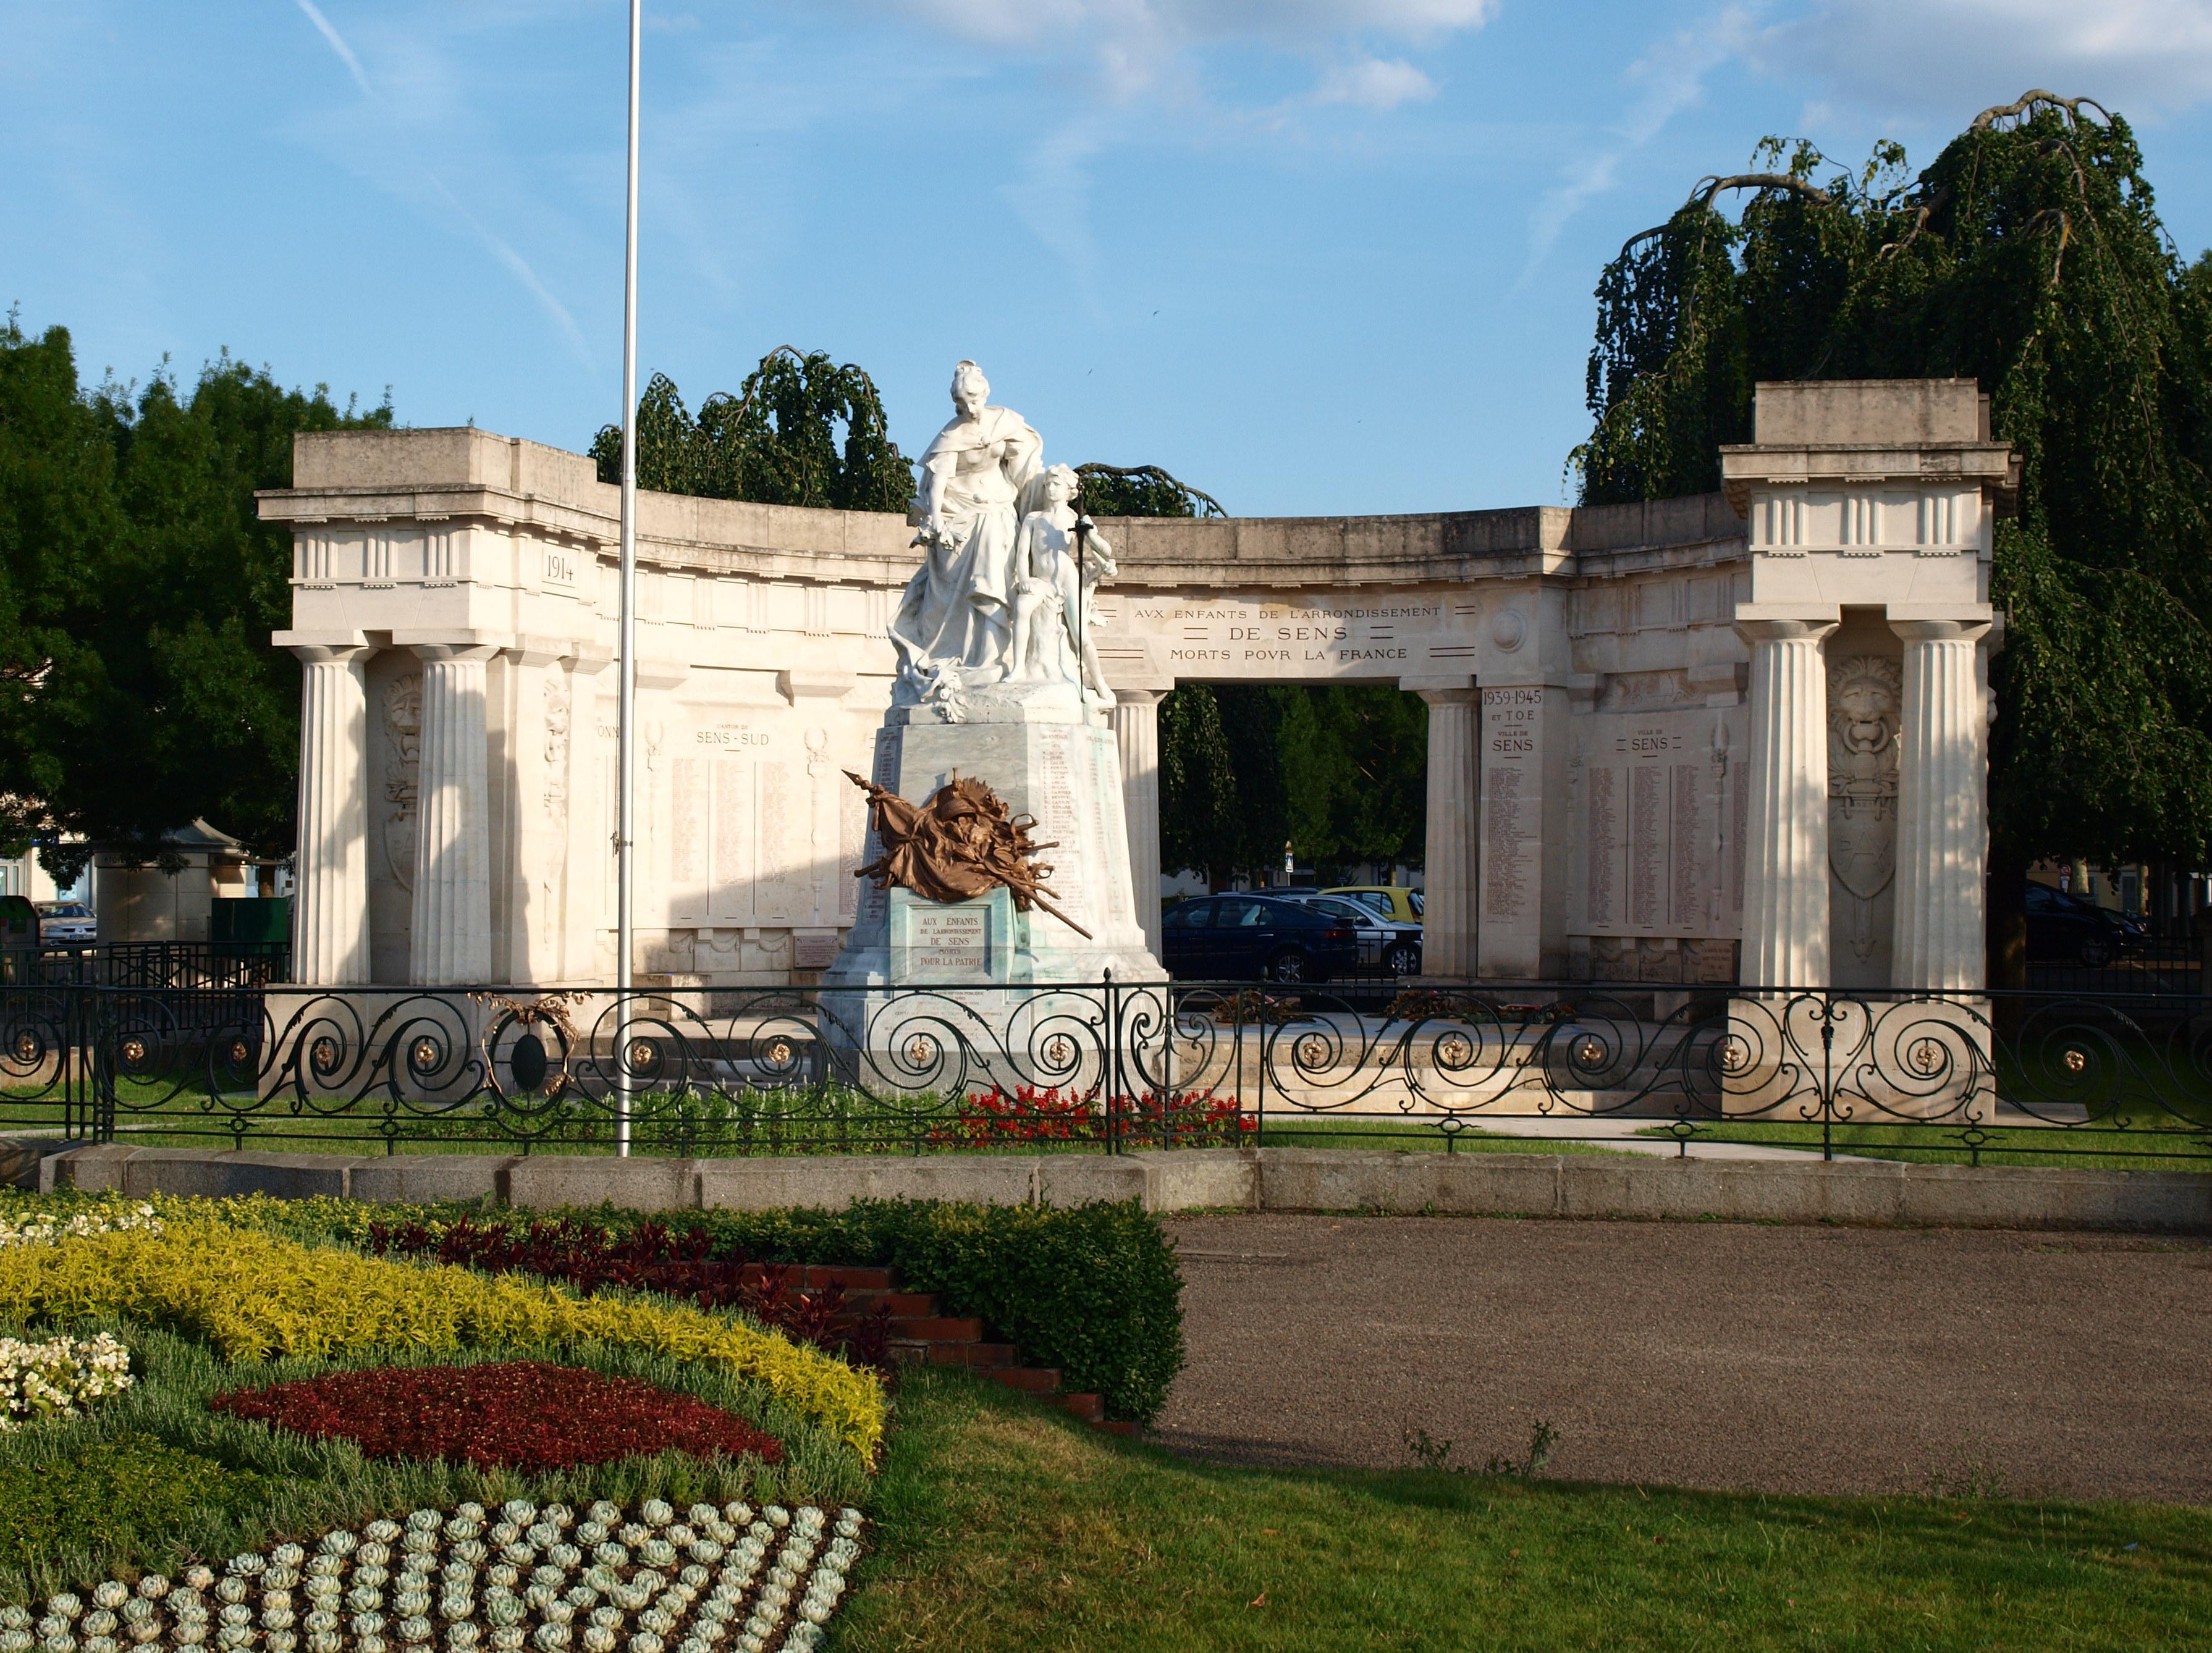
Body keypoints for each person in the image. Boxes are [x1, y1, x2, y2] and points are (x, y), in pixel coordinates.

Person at [888, 361, 1041, 700]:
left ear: (984, 394)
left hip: (999, 508)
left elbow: (1025, 471)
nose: (968, 409)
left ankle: (990, 656)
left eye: (973, 400)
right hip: (960, 515)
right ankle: (961, 656)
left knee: (995, 575)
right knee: (964, 585)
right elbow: (937, 483)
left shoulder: (1006, 422)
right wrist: (937, 520)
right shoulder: (950, 436)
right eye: (961, 403)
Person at [1008, 463, 1118, 699]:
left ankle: (1099, 683)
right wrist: (1025, 578)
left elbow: (1105, 551)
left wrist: (1088, 532)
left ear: (1070, 491)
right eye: (1048, 484)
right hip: (1041, 580)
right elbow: (1021, 553)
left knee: (1081, 636)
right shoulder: (1033, 518)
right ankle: (1018, 668)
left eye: (1056, 485)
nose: (1050, 489)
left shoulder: (1075, 517)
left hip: (1067, 578)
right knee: (1022, 608)